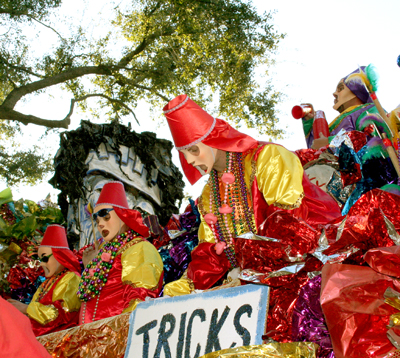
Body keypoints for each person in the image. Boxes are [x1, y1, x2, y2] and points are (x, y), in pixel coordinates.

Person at [162, 94, 342, 295]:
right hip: (251, 281)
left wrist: (247, 272)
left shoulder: (267, 156)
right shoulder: (208, 194)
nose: (191, 161)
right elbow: (210, 252)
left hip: (309, 262)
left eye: (194, 150)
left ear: (212, 139)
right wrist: (178, 290)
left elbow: (290, 224)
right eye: (184, 154)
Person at [77, 181, 164, 324]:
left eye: (106, 217)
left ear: (123, 216)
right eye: (97, 220)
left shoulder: (138, 248)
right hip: (89, 340)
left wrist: (118, 337)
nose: (100, 224)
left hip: (115, 339)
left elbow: (139, 302)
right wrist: (90, 265)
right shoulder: (103, 254)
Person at [7, 224, 82, 336]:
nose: (41, 264)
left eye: (45, 258)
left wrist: (25, 308)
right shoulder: (47, 283)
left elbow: (60, 314)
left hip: (60, 343)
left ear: (59, 255)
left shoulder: (71, 277)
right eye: (40, 259)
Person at [301, 66, 392, 150]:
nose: (334, 94)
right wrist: (309, 123)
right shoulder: (340, 119)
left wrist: (330, 142)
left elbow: (371, 139)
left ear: (356, 90)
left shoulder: (370, 110)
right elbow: (314, 150)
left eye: (340, 89)